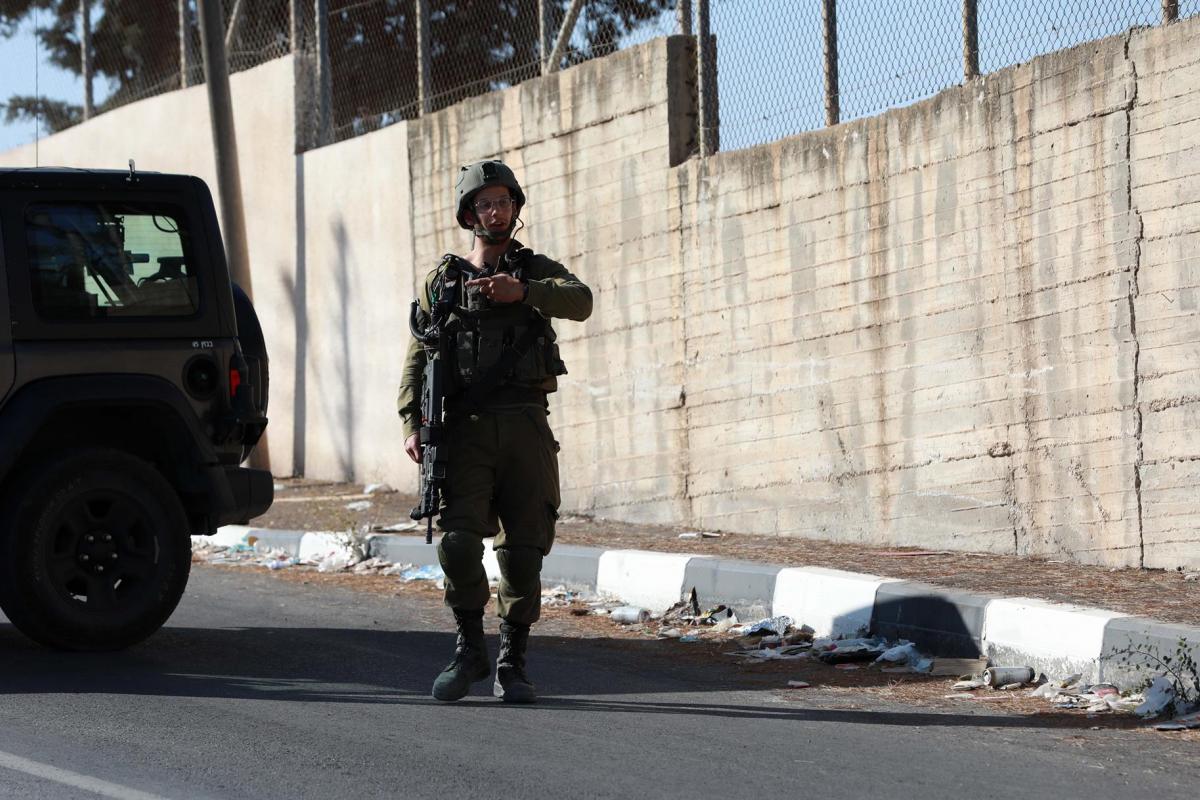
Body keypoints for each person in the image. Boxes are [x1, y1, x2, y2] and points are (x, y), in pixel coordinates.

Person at [398, 160, 592, 703]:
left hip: (527, 425)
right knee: (457, 543)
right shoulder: (442, 280)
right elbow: (418, 354)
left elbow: (581, 301)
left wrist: (523, 293)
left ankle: (514, 659)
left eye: (503, 201)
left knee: (523, 552)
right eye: (484, 203)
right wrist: (413, 421)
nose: (495, 210)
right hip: (465, 432)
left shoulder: (536, 269)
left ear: (515, 208)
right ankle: (469, 649)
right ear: (469, 214)